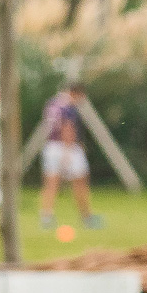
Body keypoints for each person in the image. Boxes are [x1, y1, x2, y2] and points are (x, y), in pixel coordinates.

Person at [38, 84, 103, 230]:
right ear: (76, 93)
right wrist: (67, 153)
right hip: (67, 148)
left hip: (51, 146)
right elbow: (67, 128)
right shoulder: (68, 107)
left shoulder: (52, 103)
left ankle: (46, 218)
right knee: (80, 183)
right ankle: (87, 218)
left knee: (50, 184)